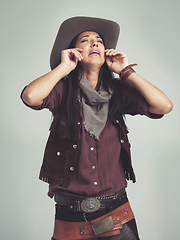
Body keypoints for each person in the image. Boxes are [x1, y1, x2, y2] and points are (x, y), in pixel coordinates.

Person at [21, 16, 173, 240]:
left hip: (117, 215)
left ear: (106, 51)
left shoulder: (119, 90)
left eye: (99, 41)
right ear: (75, 51)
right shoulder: (63, 90)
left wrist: (126, 71)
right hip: (70, 219)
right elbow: (31, 96)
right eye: (86, 40)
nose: (94, 43)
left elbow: (164, 105)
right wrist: (64, 68)